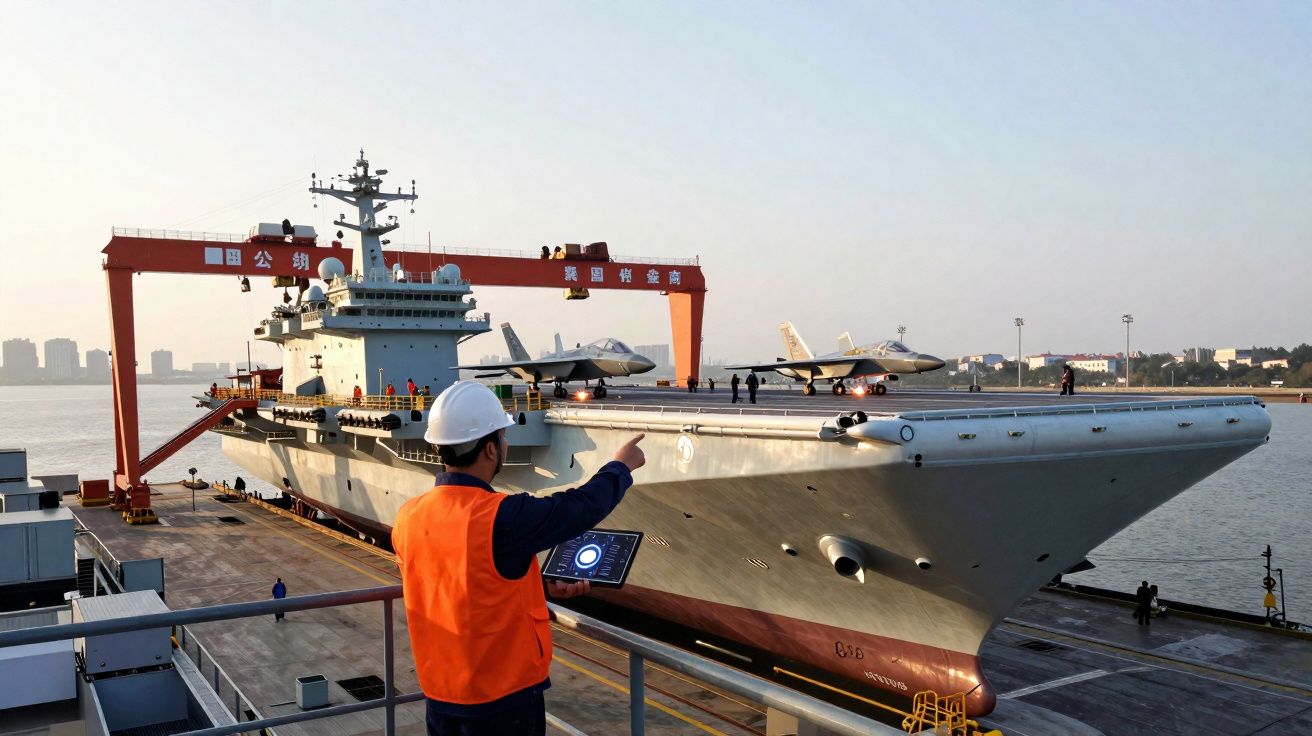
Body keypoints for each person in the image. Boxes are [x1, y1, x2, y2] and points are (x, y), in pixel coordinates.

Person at [393, 382, 645, 736]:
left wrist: (537, 587)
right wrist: (621, 467)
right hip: (503, 702)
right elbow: (578, 508)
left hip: (441, 698)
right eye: (502, 436)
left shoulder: (408, 516)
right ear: (492, 450)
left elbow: (456, 577)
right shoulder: (502, 517)